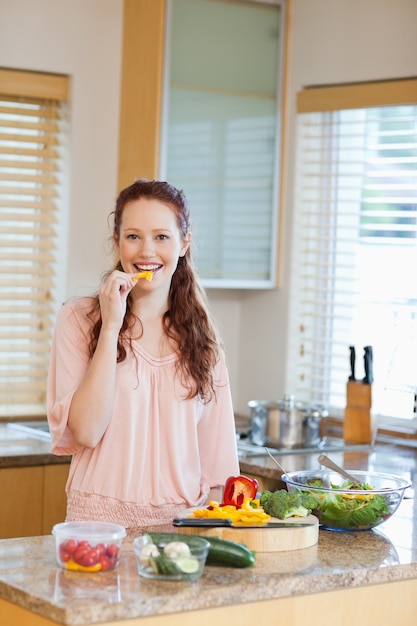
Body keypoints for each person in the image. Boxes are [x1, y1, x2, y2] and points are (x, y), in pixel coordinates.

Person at [47, 179, 239, 527]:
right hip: (97, 527)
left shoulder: (203, 343)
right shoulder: (78, 320)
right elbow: (87, 431)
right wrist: (110, 326)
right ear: (117, 242)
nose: (146, 252)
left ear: (184, 244)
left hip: (182, 529)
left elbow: (219, 472)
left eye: (162, 237)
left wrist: (210, 543)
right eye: (133, 236)